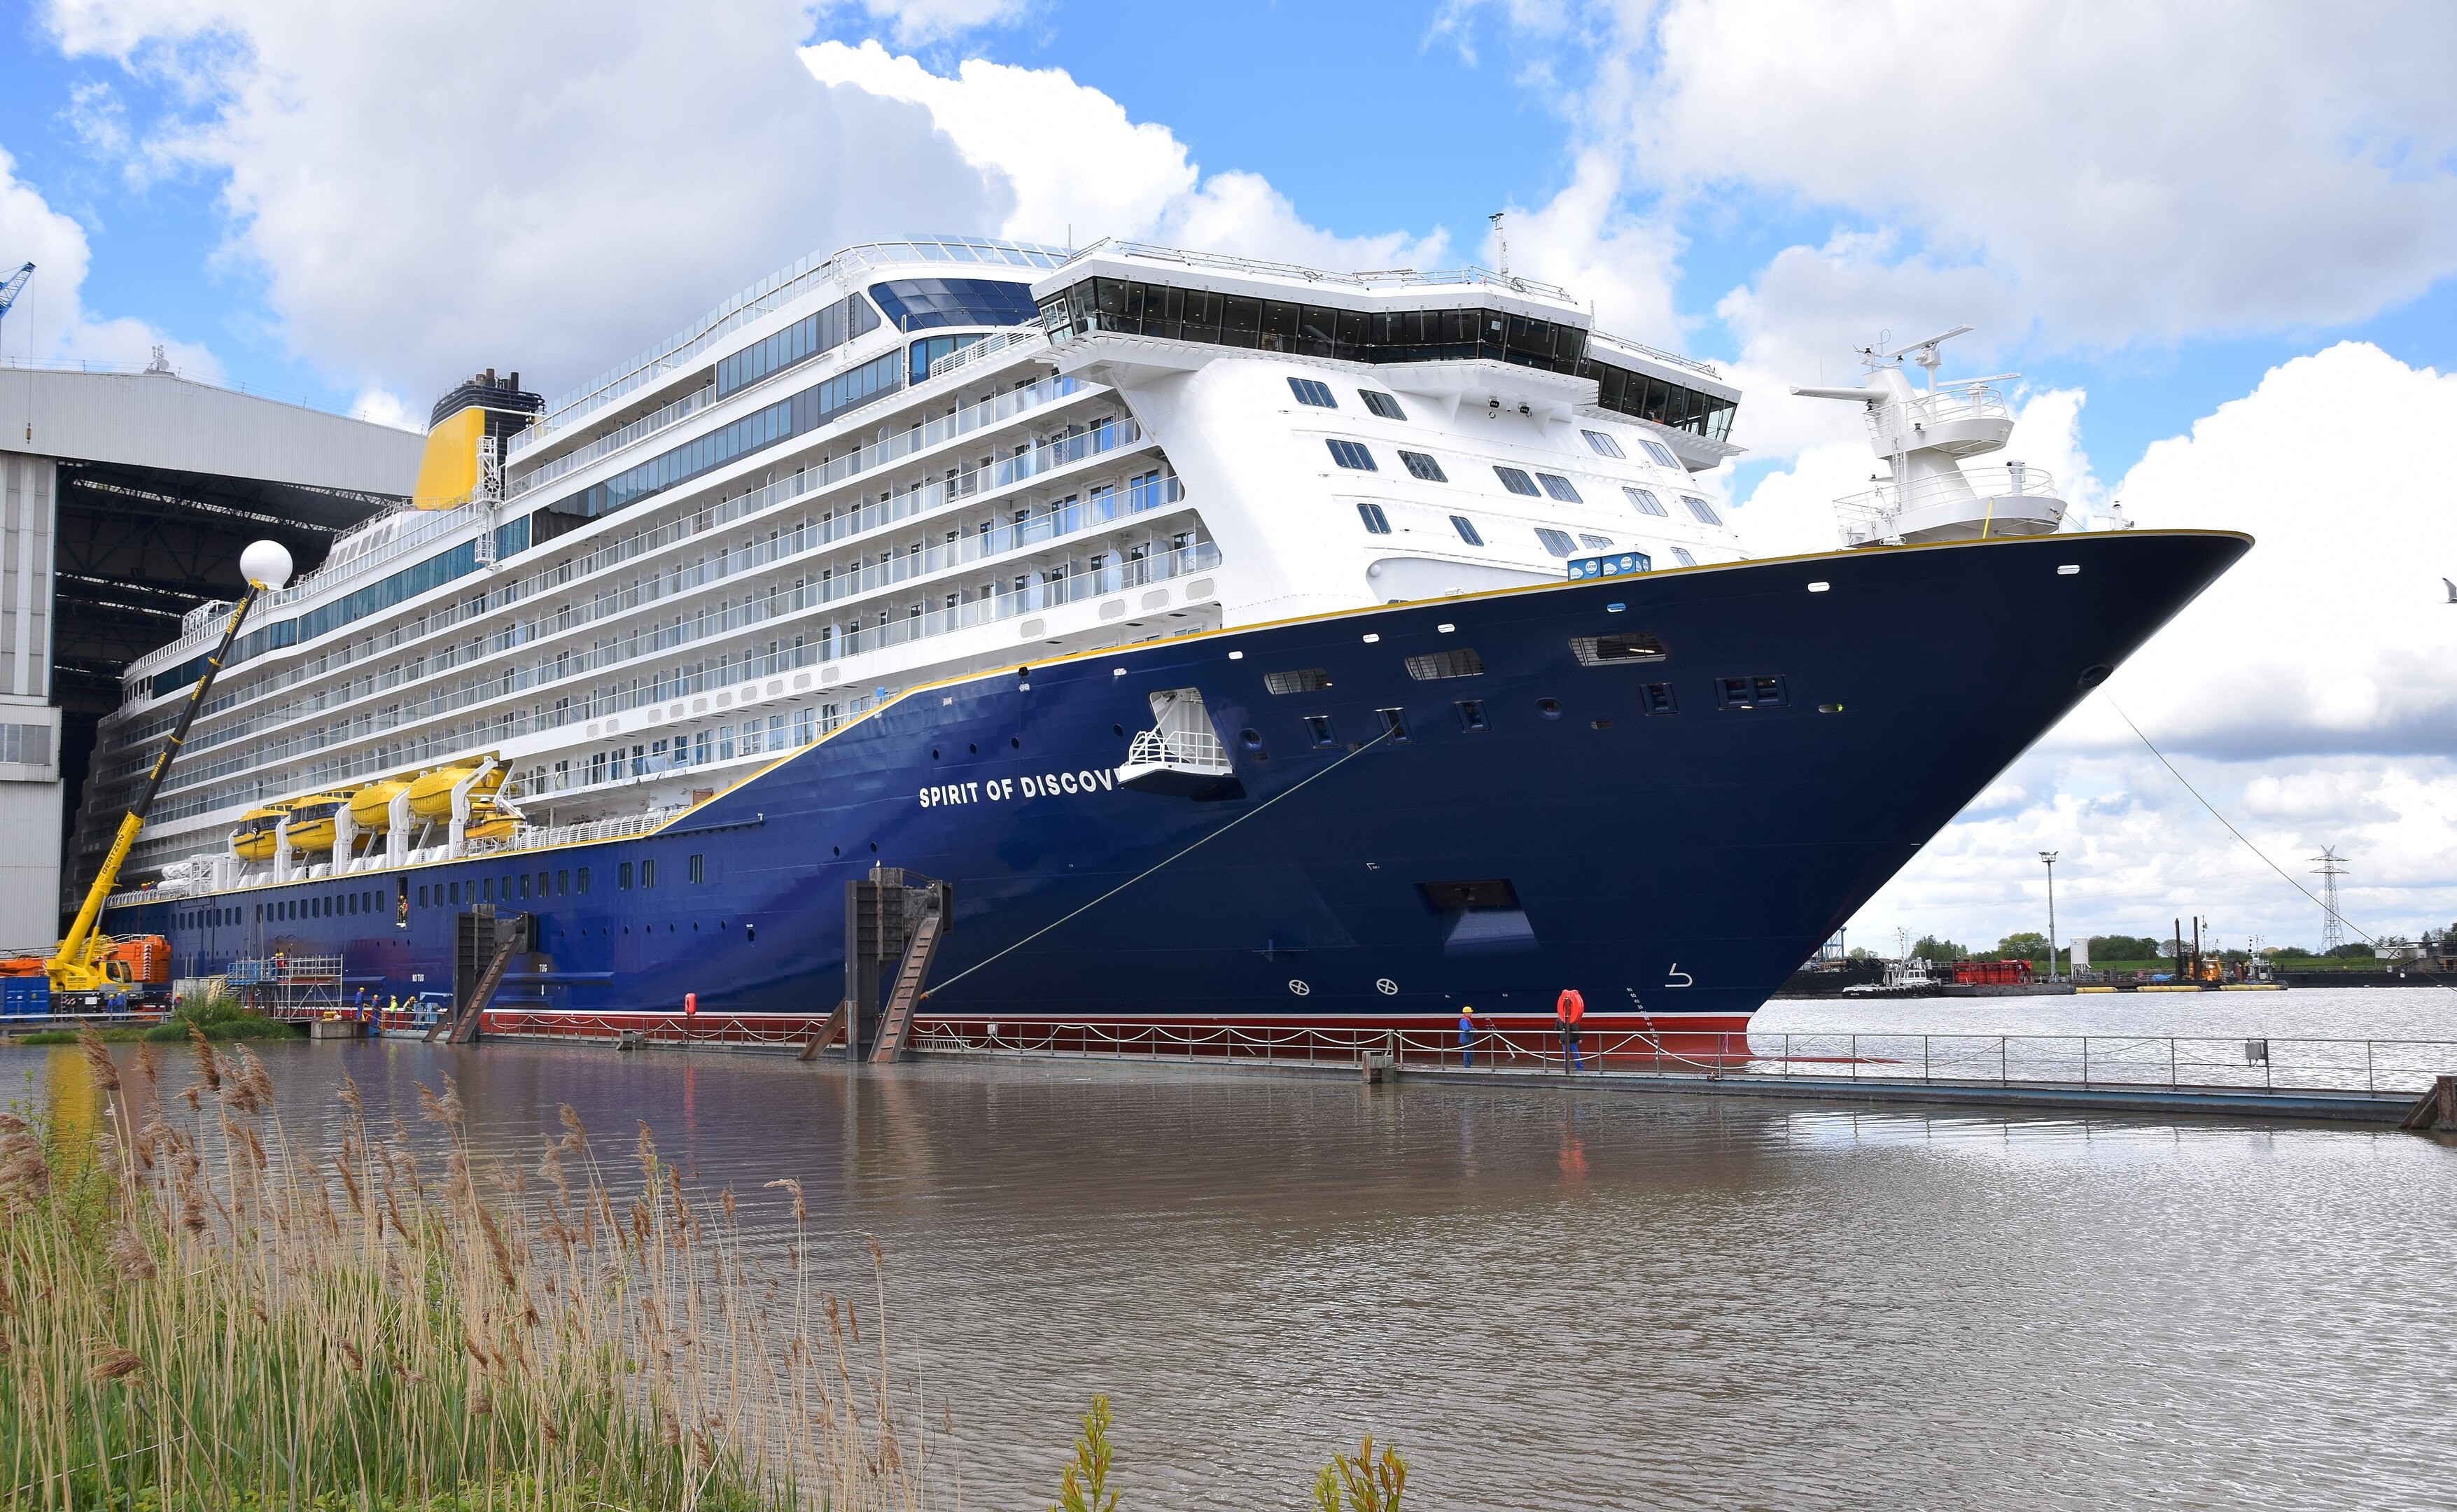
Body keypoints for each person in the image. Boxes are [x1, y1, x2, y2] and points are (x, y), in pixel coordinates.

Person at [1555, 986, 1586, 1072]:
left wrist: (1559, 1038)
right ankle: (1579, 1068)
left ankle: (1566, 1067)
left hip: (1564, 1039)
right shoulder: (1572, 1018)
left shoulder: (1559, 1018)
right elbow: (1575, 1029)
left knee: (1565, 1054)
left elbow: (1556, 1028)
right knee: (1576, 1054)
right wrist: (1579, 1038)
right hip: (1572, 1040)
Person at [1457, 1004, 1477, 1068]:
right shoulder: (1464, 1020)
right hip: (1466, 1039)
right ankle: (1467, 1065)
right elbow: (1466, 1028)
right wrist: (1473, 1029)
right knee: (1469, 1052)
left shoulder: (1465, 1020)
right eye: (1470, 1012)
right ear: (1466, 1013)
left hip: (1467, 1038)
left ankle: (1467, 1064)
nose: (1471, 1014)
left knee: (1468, 1051)